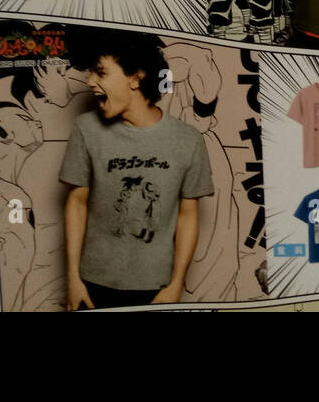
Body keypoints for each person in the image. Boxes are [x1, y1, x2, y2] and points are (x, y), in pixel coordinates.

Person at [60, 29, 213, 310]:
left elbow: (188, 214)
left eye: (101, 73)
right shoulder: (86, 129)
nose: (90, 81)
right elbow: (76, 203)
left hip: (156, 287)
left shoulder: (187, 139)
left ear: (135, 78)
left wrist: (176, 283)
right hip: (92, 284)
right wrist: (73, 279)